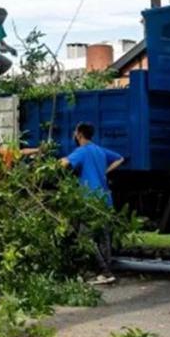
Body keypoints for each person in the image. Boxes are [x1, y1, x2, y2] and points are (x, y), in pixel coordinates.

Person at [61, 122, 124, 285]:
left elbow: (64, 164)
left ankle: (103, 270)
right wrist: (104, 172)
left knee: (85, 238)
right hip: (104, 199)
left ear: (80, 135)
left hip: (90, 200)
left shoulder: (81, 151)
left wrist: (53, 163)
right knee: (103, 237)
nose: (74, 135)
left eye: (75, 132)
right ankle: (107, 272)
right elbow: (120, 159)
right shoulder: (99, 150)